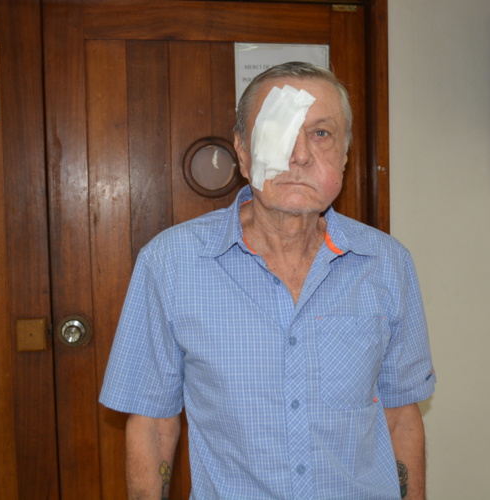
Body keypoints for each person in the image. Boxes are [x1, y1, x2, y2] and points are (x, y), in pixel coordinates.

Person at [99, 61, 435, 500]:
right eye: (278, 131)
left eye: (321, 133)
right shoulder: (169, 264)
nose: (299, 156)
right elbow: (152, 423)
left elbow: (401, 416)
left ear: (345, 154)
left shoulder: (388, 264)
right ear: (242, 153)